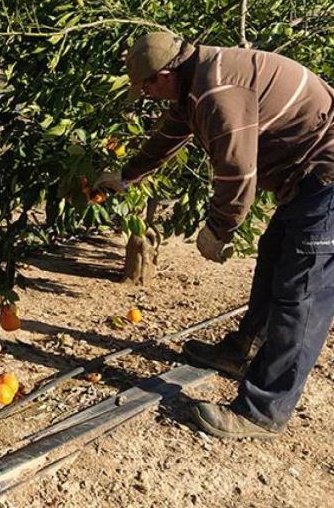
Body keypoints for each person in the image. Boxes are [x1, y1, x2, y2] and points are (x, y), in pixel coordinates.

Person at [95, 31, 334, 439]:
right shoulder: (194, 83)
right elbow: (167, 137)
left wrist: (218, 229)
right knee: (274, 255)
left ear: (164, 74)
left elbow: (237, 173)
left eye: (147, 87)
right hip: (306, 177)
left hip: (326, 176)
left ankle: (263, 411)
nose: (147, 96)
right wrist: (128, 175)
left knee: (302, 294)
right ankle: (243, 349)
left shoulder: (216, 92)